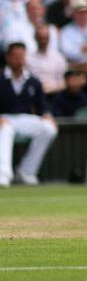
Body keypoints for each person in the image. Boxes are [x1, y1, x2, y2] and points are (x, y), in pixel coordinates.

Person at [0, 43, 59, 186]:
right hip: (4, 118)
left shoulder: (33, 81)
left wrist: (46, 115)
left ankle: (26, 171)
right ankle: (3, 174)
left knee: (49, 128)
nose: (19, 60)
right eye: (15, 56)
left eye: (21, 56)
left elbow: (42, 105)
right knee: (5, 129)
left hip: (25, 119)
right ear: (8, 58)